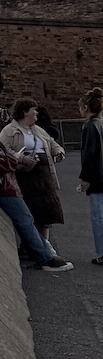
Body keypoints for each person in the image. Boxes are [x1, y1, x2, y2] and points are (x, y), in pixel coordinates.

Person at [0, 101, 73, 270]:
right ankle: (45, 258)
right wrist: (16, 158)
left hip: (31, 178)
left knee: (36, 217)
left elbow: (50, 141)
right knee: (26, 220)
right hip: (6, 186)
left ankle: (44, 251)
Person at [0, 98, 66, 245]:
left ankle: (44, 243)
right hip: (24, 176)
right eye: (33, 110)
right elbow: (3, 151)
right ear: (24, 112)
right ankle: (32, 245)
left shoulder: (37, 129)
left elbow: (51, 142)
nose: (36, 112)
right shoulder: (9, 131)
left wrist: (59, 151)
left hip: (43, 175)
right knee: (30, 212)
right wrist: (21, 158)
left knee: (47, 211)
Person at [80, 86, 103, 267]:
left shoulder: (90, 126)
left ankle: (101, 252)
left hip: (98, 178)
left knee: (98, 216)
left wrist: (85, 178)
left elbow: (89, 154)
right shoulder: (101, 123)